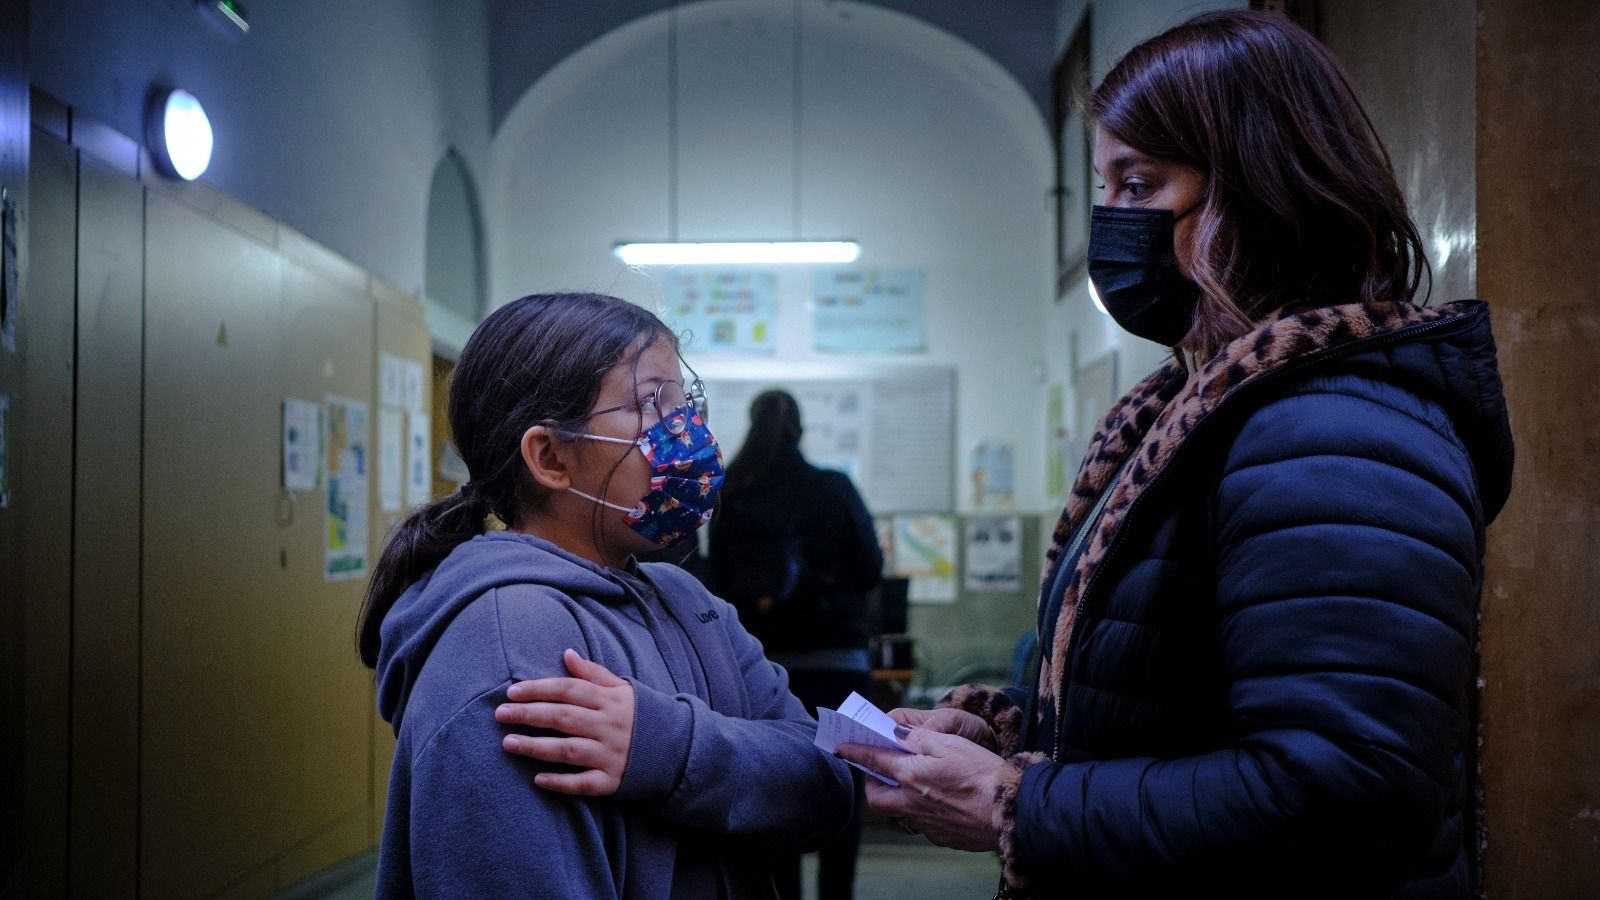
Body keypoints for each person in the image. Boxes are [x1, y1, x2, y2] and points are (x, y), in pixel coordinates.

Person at [838, 11, 1513, 899]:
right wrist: (1001, 747)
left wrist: (1019, 804)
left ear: (1261, 189)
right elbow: (1169, 710)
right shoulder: (1208, 410)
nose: (1112, 225)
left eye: (1141, 184)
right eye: (1104, 189)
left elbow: (1347, 792)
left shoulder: (1334, 428)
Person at [358, 292, 853, 899]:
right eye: (651, 404)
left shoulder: (686, 603)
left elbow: (826, 781)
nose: (688, 433)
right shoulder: (508, 644)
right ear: (550, 456)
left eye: (685, 403)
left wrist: (667, 746)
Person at [709, 389, 884, 900]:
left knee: (777, 795)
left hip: (765, 672)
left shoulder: (733, 493)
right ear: (801, 430)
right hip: (841, 664)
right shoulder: (834, 487)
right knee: (846, 792)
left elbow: (715, 583)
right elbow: (871, 567)